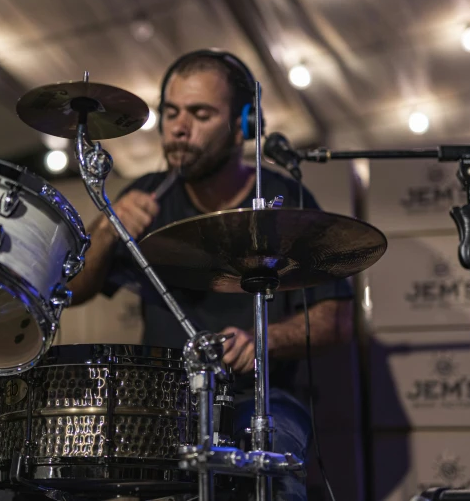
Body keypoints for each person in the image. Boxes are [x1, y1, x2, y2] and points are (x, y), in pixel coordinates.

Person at [66, 49, 354, 501]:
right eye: (172, 112)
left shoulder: (284, 198)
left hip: (258, 399)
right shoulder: (145, 197)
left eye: (200, 113)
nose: (180, 127)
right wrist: (105, 229)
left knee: (269, 451)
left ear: (244, 125)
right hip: (160, 405)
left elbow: (335, 321)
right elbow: (72, 290)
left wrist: (263, 341)